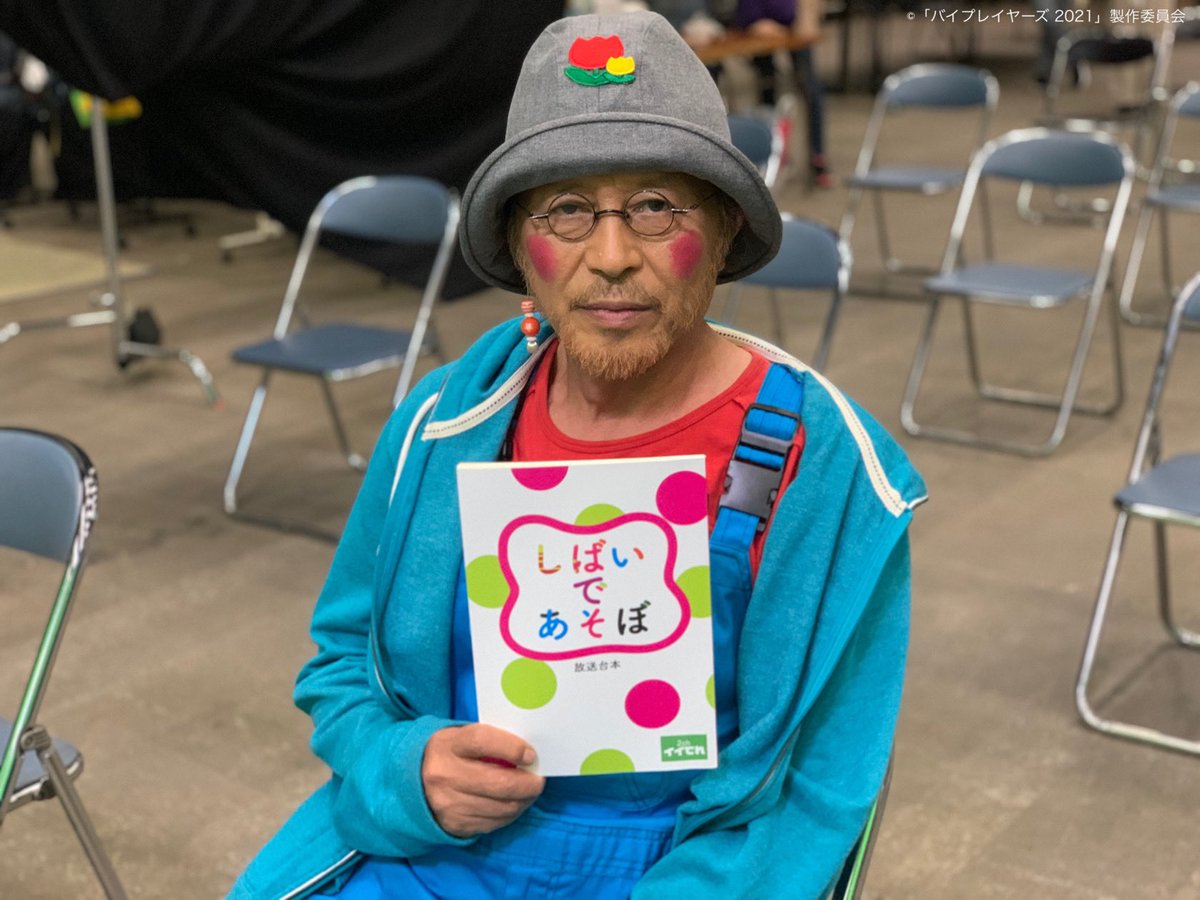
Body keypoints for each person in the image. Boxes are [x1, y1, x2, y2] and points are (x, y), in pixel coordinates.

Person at [230, 10, 924, 899]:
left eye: (657, 206)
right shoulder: (442, 423)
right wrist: (405, 765)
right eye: (565, 210)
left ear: (721, 230)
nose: (611, 256)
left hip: (689, 869)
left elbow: (818, 791)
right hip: (430, 849)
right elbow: (342, 662)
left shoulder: (824, 472)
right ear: (518, 244)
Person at [734, 0, 832, 187]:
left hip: (796, 21)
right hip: (758, 19)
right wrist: (754, 22)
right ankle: (770, 153)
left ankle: (817, 156)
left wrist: (807, 18)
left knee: (812, 89)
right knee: (767, 86)